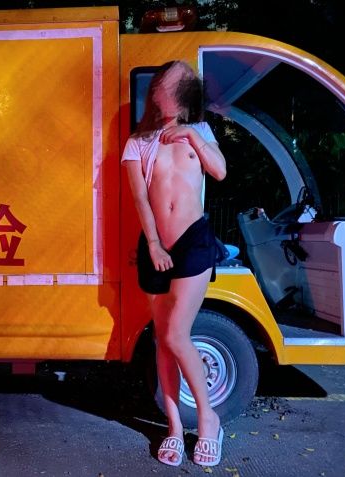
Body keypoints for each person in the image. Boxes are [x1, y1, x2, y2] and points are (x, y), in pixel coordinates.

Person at [121, 61, 227, 467]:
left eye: (177, 85)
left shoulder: (200, 132)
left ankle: (209, 419)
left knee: (177, 333)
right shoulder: (138, 142)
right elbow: (140, 198)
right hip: (156, 247)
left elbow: (219, 171)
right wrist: (153, 244)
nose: (167, 92)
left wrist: (191, 136)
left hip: (193, 242)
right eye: (165, 85)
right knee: (162, 340)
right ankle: (175, 429)